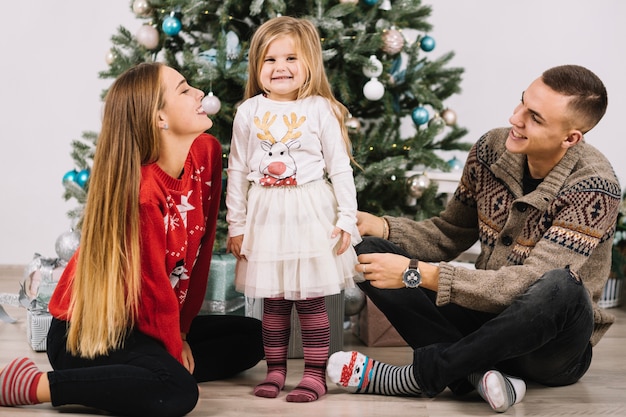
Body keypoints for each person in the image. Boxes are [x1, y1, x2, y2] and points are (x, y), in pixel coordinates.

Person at [326, 64, 621, 413]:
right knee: (369, 249)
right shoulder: (491, 149)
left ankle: (422, 376)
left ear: (571, 138)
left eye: (535, 118)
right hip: (482, 319)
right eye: (521, 103)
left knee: (561, 286)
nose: (515, 118)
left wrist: (416, 272)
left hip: (549, 350)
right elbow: (449, 234)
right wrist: (381, 226)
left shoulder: (594, 186)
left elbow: (526, 283)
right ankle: (479, 376)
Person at [0, 62, 264, 417]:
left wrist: (182, 335)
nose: (200, 93)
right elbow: (154, 290)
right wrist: (172, 348)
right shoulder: (142, 196)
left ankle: (135, 377)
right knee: (178, 392)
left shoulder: (207, 153)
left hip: (143, 324)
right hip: (87, 333)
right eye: (184, 90)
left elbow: (198, 257)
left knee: (258, 338)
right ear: (159, 119)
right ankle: (38, 385)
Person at [226, 16, 361, 403]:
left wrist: (346, 219)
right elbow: (236, 169)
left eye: (290, 58)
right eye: (269, 60)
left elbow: (339, 168)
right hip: (265, 217)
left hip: (310, 214)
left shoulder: (320, 109)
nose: (280, 68)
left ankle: (316, 373)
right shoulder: (248, 112)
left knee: (311, 301)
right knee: (274, 302)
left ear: (309, 64)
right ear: (257, 66)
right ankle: (276, 371)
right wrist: (236, 224)